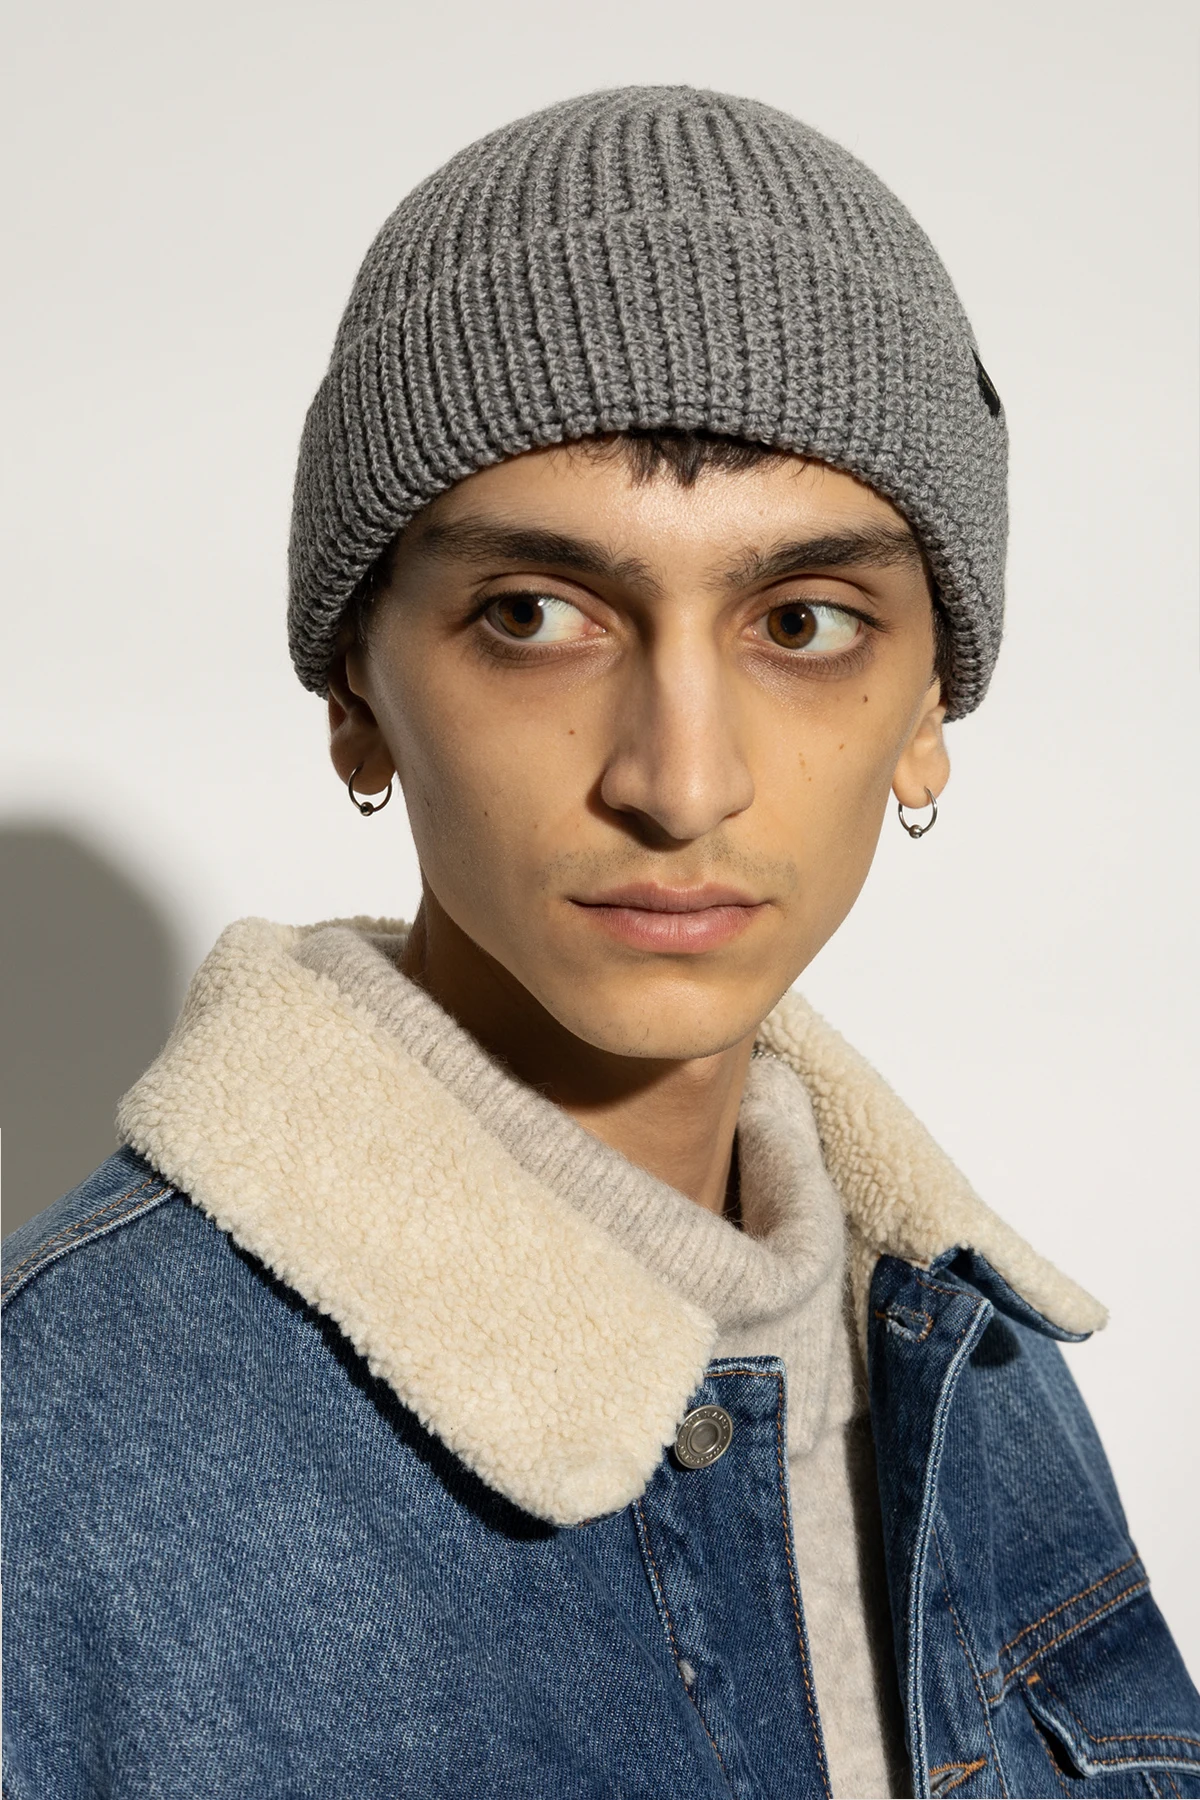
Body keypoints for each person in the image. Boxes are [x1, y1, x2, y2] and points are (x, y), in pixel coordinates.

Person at [3, 86, 1196, 1800]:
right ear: (354, 693)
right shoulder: (52, 1462)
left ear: (930, 707)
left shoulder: (969, 1359)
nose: (680, 780)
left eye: (804, 621)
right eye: (536, 616)